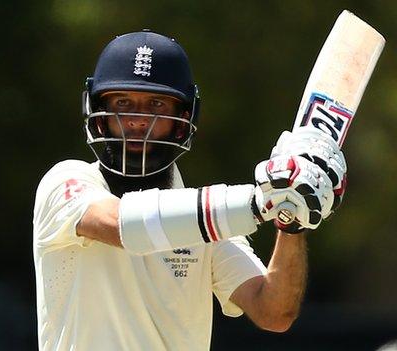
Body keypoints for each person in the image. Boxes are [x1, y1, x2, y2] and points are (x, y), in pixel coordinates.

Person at [32, 30, 347, 351]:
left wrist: (290, 214)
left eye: (156, 104)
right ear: (98, 111)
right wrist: (260, 202)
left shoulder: (205, 221)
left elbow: (273, 312)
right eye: (123, 102)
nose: (139, 120)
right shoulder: (67, 183)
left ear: (182, 118)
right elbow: (120, 225)